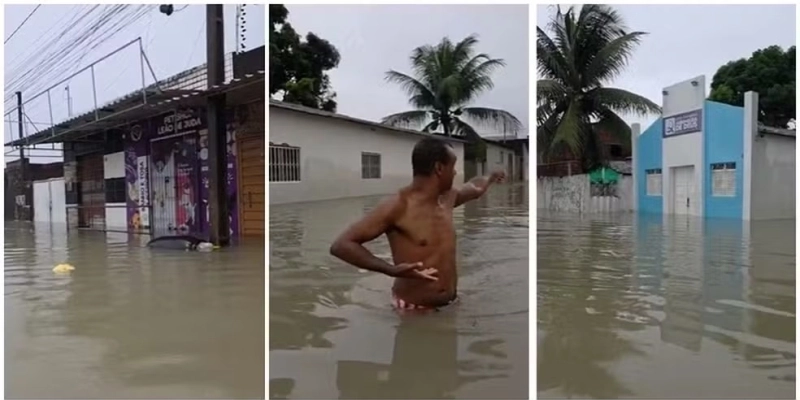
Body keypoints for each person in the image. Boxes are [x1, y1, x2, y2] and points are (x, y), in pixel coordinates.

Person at [330, 137, 506, 311]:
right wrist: (391, 270)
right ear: (439, 168)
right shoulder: (398, 206)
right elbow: (342, 245)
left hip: (450, 305)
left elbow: (475, 189)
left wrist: (490, 177)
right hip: (413, 310)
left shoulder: (449, 197)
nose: (454, 173)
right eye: (452, 167)